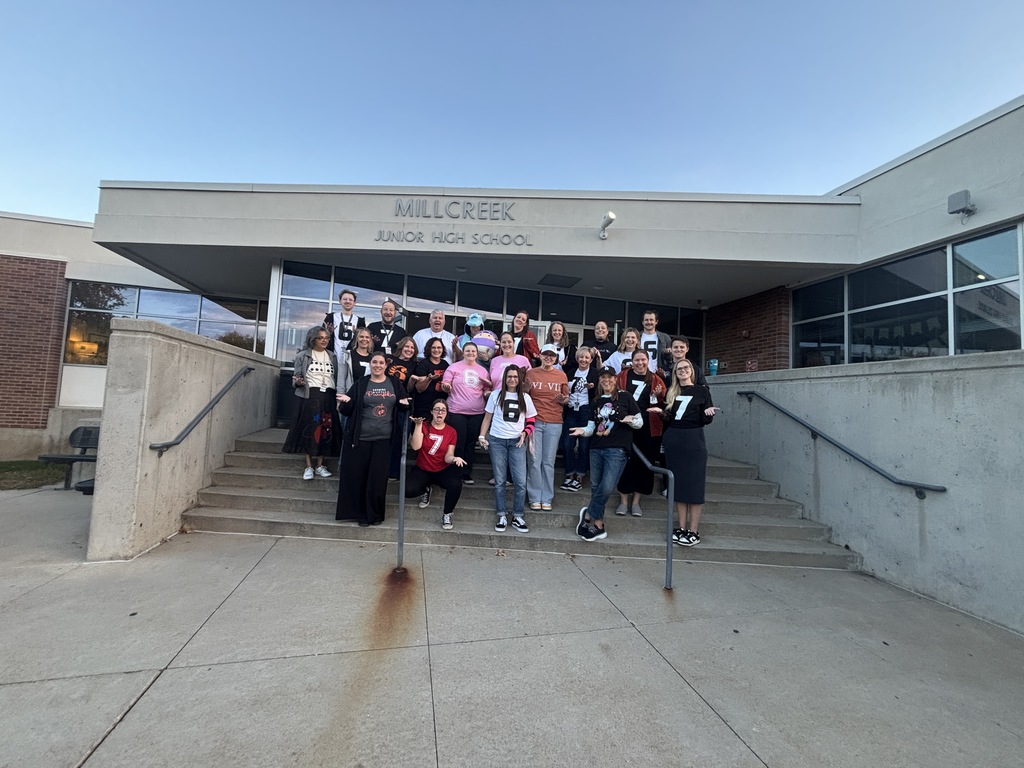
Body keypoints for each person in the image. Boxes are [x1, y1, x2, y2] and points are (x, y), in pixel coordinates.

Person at [335, 352, 411, 526]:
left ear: (386, 365)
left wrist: (406, 404)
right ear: (370, 364)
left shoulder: (394, 383)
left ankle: (374, 515)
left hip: (383, 440)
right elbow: (346, 410)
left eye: (381, 362)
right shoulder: (361, 384)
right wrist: (346, 402)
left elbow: (403, 405)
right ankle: (360, 515)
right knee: (358, 477)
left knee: (377, 479)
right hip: (360, 439)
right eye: (374, 362)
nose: (378, 365)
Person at [569, 366, 643, 541]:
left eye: (610, 377)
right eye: (603, 378)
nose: (606, 380)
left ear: (615, 379)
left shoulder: (625, 397)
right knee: (596, 487)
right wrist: (582, 431)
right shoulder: (595, 401)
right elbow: (591, 427)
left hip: (617, 449)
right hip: (596, 448)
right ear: (600, 380)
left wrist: (629, 421)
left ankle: (588, 515)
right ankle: (598, 525)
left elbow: (639, 421)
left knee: (607, 487)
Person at [650, 359, 717, 547]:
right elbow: (670, 418)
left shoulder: (702, 390)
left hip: (694, 439)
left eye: (686, 368)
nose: (683, 371)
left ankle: (693, 531)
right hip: (674, 439)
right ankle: (680, 527)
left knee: (694, 485)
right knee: (677, 485)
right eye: (679, 369)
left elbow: (705, 418)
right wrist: (660, 412)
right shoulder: (672, 392)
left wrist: (709, 413)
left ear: (692, 371)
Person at [478, 365, 536, 533]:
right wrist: (482, 436)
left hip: (517, 441)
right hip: (497, 441)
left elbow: (532, 420)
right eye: (509, 376)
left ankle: (518, 515)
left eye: (515, 377)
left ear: (520, 379)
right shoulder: (496, 395)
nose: (512, 379)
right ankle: (502, 514)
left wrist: (525, 433)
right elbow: (487, 417)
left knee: (520, 481)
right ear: (504, 379)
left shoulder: (525, 397)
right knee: (500, 480)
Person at [282, 326, 345, 479]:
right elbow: (296, 379)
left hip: (328, 395)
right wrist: (298, 382)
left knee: (326, 429)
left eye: (326, 338)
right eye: (320, 337)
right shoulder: (303, 356)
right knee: (310, 429)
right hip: (310, 395)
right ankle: (309, 466)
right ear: (312, 339)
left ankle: (320, 465)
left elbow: (336, 377)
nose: (324, 340)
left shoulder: (332, 356)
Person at [615, 349, 667, 516]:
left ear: (648, 360)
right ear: (632, 361)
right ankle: (623, 500)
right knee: (624, 462)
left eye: (643, 360)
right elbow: (613, 395)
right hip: (625, 425)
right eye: (636, 360)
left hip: (648, 428)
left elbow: (664, 401)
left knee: (644, 463)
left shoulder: (656, 379)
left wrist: (659, 395)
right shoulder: (622, 376)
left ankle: (636, 501)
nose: (640, 363)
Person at [404, 400, 466, 530]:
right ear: (431, 411)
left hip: (441, 469)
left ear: (446, 414)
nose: (440, 412)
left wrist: (455, 458)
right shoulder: (424, 425)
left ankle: (447, 514)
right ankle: (426, 489)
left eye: (443, 410)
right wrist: (418, 425)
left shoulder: (451, 432)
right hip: (423, 468)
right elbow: (415, 446)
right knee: (408, 491)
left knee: (456, 484)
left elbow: (448, 456)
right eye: (437, 409)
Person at [524, 344, 569, 511]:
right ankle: (535, 496)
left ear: (556, 358)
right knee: (534, 460)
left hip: (554, 422)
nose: (549, 358)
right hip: (534, 421)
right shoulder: (531, 373)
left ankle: (547, 497)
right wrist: (526, 390)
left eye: (552, 355)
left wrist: (562, 400)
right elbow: (523, 397)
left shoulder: (561, 375)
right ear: (540, 355)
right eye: (546, 354)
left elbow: (566, 399)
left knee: (548, 462)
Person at [441, 341, 491, 485]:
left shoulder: (482, 370)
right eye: (467, 351)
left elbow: (486, 389)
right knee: (458, 441)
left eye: (473, 351)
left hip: (477, 412)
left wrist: (488, 393)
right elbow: (446, 385)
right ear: (463, 352)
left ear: (477, 353)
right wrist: (446, 387)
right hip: (457, 410)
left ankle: (466, 472)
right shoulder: (453, 367)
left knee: (470, 443)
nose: (470, 353)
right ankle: (456, 471)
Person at [560, 346, 599, 492]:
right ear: (577, 359)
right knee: (567, 443)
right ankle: (569, 474)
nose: (583, 360)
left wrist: (592, 388)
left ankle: (580, 475)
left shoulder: (594, 373)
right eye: (581, 357)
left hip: (586, 411)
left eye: (586, 357)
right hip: (571, 411)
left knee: (584, 445)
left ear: (591, 359)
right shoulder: (570, 372)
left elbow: (600, 393)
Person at [385, 336, 418, 480]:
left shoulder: (414, 365)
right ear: (401, 347)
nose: (409, 350)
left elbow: (410, 388)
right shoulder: (389, 359)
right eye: (407, 346)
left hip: (402, 405)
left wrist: (411, 381)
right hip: (385, 402)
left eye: (412, 348)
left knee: (399, 438)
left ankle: (394, 471)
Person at [409, 337, 449, 419]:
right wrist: (429, 378)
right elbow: (419, 389)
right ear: (429, 349)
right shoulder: (423, 364)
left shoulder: (445, 364)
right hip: (424, 407)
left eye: (439, 347)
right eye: (433, 347)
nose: (436, 350)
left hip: (440, 407)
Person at [324, 289, 366, 355]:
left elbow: (363, 341)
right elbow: (321, 336)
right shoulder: (331, 317)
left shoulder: (360, 321)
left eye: (350, 300)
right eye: (345, 299)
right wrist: (328, 333)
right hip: (332, 357)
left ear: (354, 303)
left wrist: (357, 335)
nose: (348, 301)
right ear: (340, 301)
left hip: (352, 358)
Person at [639, 309, 672, 374]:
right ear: (642, 322)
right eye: (646, 320)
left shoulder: (664, 337)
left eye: (651, 320)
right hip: (640, 371)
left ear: (656, 321)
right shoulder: (637, 337)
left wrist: (668, 354)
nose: (649, 322)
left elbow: (671, 358)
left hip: (659, 373)